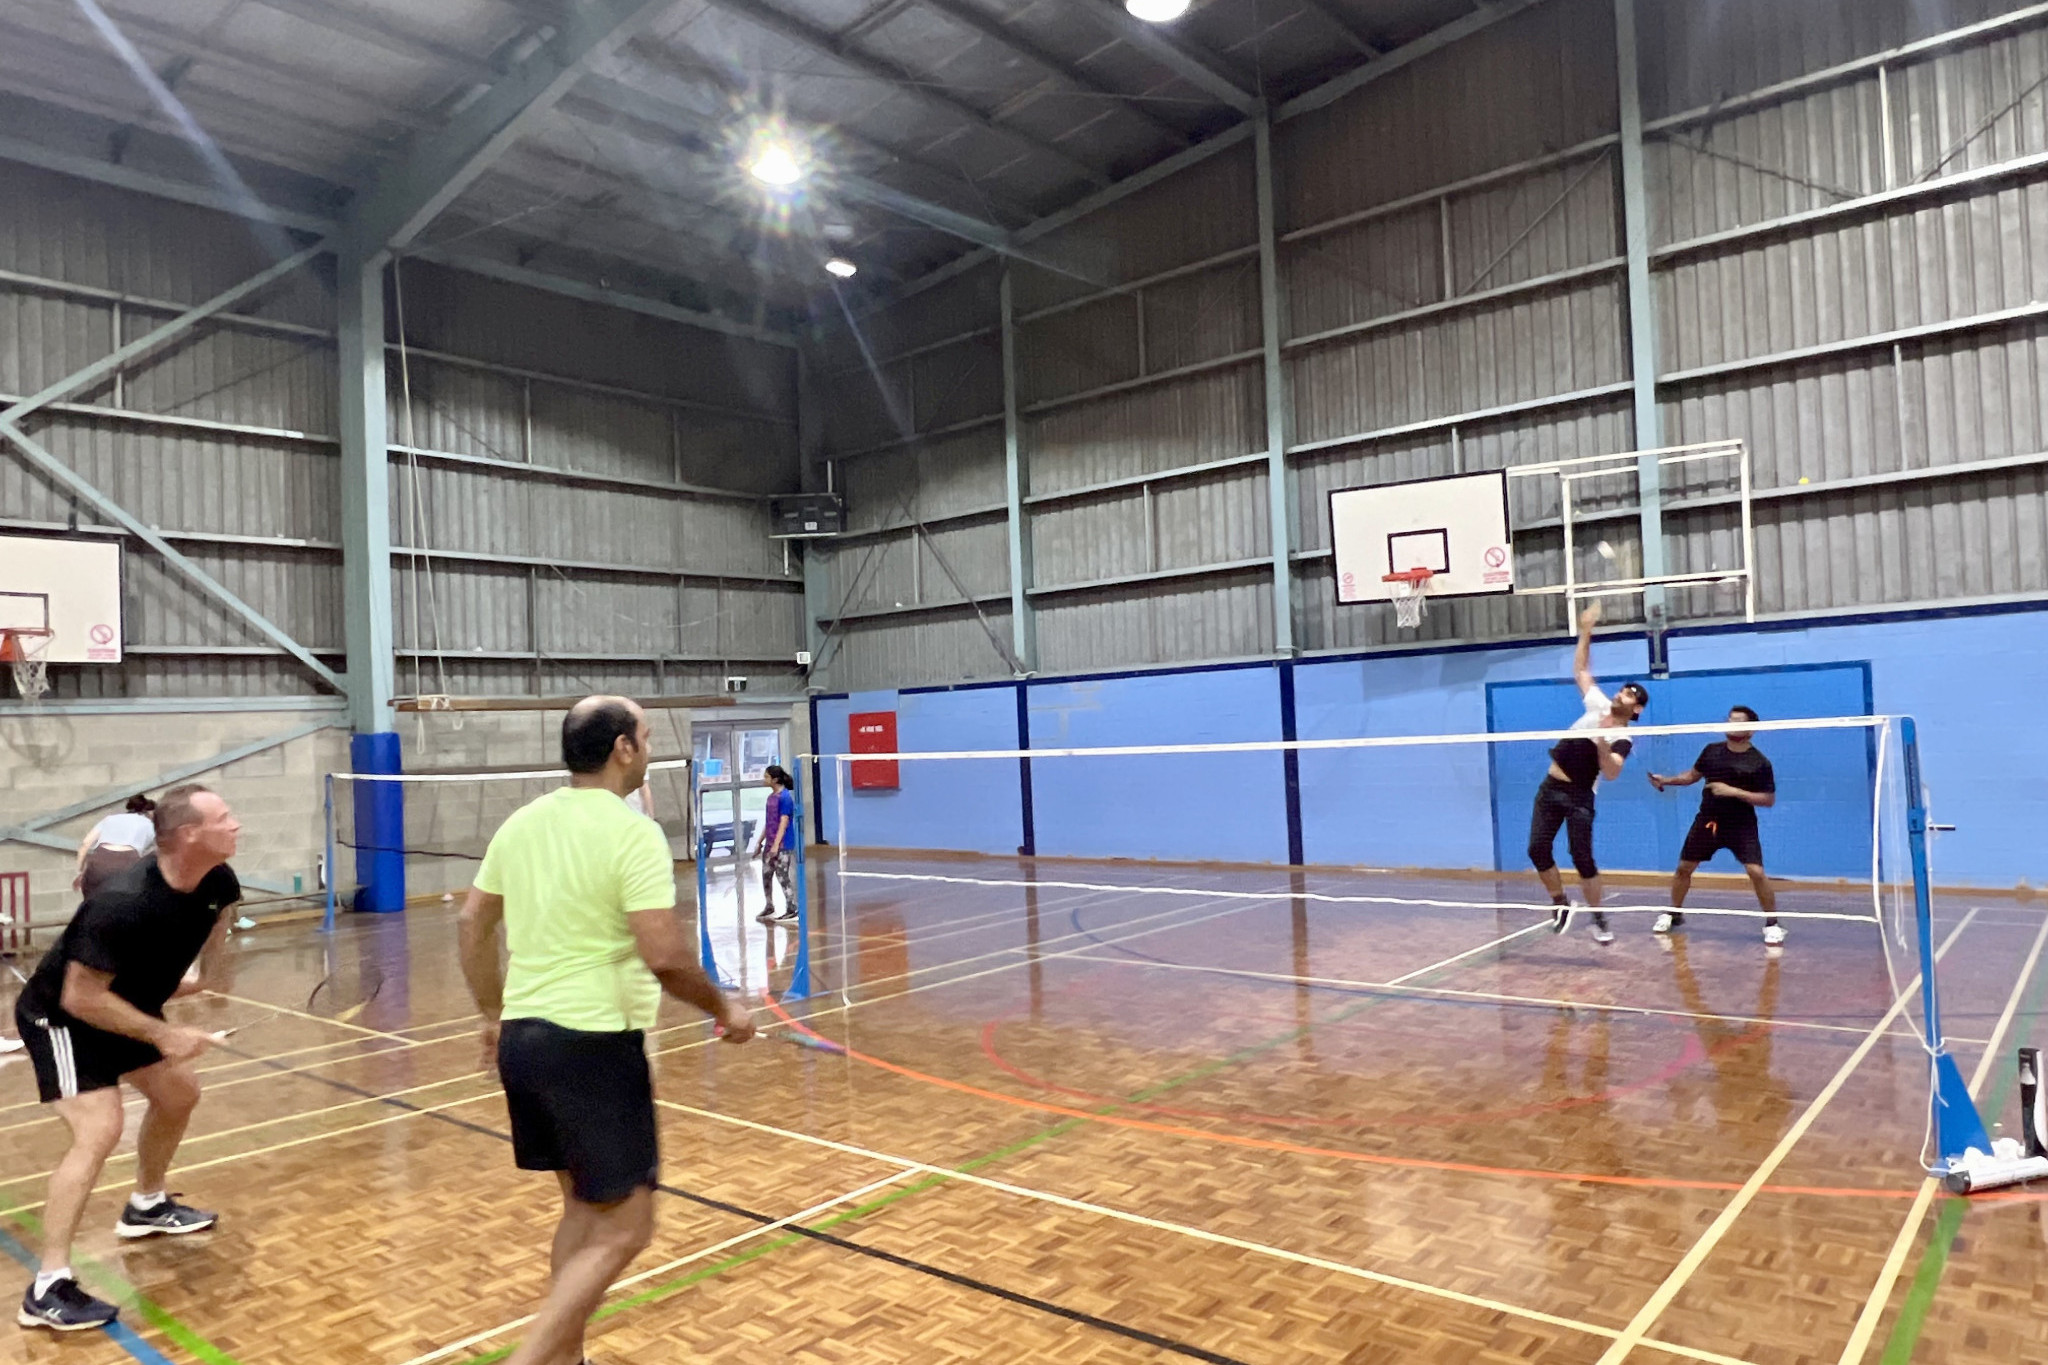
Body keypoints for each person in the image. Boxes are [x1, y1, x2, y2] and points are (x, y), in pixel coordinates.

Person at [458, 696, 756, 1365]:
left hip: (525, 1042)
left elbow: (472, 923)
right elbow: (665, 955)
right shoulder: (632, 832)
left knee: (583, 1209)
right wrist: (724, 1008)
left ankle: (567, 1356)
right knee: (627, 1227)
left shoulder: (523, 822)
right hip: (591, 1044)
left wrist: (491, 1010)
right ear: (624, 748)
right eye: (646, 735)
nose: (650, 746)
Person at [15, 785, 241, 1331]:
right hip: (62, 1018)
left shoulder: (219, 882)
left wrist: (206, 980)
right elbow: (79, 996)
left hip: (124, 1005)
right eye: (224, 817)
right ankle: (47, 1287)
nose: (237, 825)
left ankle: (147, 1204)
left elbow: (215, 927)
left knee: (179, 1093)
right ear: (190, 834)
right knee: (100, 1129)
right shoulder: (122, 902)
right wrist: (164, 1036)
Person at [1529, 604, 1648, 945]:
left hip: (1580, 797)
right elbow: (1581, 671)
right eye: (1623, 689)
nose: (1621, 693)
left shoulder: (1623, 737)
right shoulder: (1597, 704)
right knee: (1537, 849)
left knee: (1582, 858)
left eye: (1629, 694)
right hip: (1550, 788)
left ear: (1635, 709)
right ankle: (1560, 904)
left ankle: (1599, 919)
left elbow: (1611, 772)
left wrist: (1599, 744)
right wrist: (1586, 630)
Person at [1649, 705, 1783, 946]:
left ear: (1751, 730)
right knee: (1683, 868)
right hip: (1708, 820)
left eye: (1737, 722)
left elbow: (1768, 799)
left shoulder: (1759, 762)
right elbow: (1691, 776)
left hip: (1741, 825)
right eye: (1729, 720)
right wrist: (1666, 780)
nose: (1730, 725)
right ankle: (1673, 913)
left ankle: (1772, 924)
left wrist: (1732, 791)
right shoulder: (1711, 751)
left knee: (1756, 872)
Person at [73, 795, 157, 902]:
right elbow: (161, 849)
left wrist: (80, 873)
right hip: (129, 863)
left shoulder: (109, 819)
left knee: (91, 904)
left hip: (98, 862)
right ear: (150, 813)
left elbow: (85, 844)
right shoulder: (149, 824)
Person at [752, 764, 798, 924]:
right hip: (770, 843)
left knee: (782, 876)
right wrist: (760, 842)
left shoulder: (785, 798)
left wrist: (776, 845)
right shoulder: (771, 798)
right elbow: (769, 822)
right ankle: (769, 905)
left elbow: (783, 822)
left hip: (783, 844)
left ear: (775, 779)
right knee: (766, 875)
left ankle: (792, 908)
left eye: (766, 776)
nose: (764, 779)